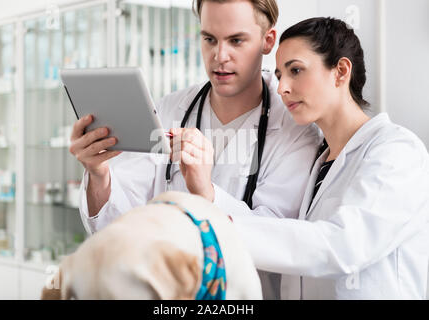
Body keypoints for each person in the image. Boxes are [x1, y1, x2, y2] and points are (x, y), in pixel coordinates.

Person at [69, 0, 320, 299]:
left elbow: (277, 241)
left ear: (267, 42)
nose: (219, 56)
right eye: (209, 39)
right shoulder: (170, 108)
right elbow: (120, 225)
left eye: (236, 40)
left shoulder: (296, 129)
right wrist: (99, 174)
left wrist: (206, 192)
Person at [229, 17, 429, 299]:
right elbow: (293, 244)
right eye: (279, 75)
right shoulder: (319, 161)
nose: (282, 87)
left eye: (295, 70)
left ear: (340, 71)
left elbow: (342, 245)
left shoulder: (396, 152)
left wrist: (222, 230)